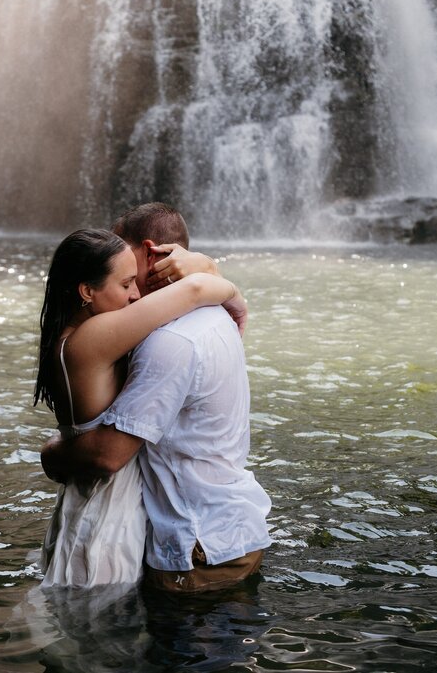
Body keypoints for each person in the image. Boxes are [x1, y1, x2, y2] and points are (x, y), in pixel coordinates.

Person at [43, 203, 271, 594]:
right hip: (216, 530)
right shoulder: (201, 319)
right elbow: (197, 288)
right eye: (123, 283)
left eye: (133, 276)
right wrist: (225, 285)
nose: (133, 294)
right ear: (87, 291)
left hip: (197, 544)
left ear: (151, 253)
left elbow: (105, 455)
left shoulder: (167, 338)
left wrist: (52, 454)